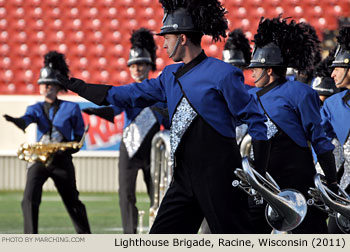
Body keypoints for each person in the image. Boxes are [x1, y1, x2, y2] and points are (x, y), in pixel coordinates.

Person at [57, 0, 271, 234]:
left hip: (219, 179)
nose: (163, 44)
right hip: (182, 180)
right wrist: (83, 88)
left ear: (182, 38)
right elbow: (129, 94)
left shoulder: (223, 74)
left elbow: (256, 119)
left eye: (167, 37)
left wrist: (257, 172)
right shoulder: (168, 75)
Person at [246, 17, 337, 234]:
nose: (252, 73)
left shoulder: (300, 93)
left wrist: (331, 181)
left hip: (296, 180)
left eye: (256, 68)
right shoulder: (247, 96)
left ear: (269, 70)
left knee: (311, 235)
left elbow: (319, 140)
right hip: (261, 179)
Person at [82, 28, 170, 234]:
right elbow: (114, 109)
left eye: (140, 64)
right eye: (133, 64)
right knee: (126, 195)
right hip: (129, 149)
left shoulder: (160, 92)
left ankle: (161, 233)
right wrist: (97, 110)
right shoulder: (127, 92)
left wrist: (160, 111)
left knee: (157, 194)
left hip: (153, 152)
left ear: (149, 66)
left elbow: (170, 119)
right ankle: (129, 236)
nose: (136, 68)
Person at [3, 51, 91, 234]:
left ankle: (87, 239)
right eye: (42, 84)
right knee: (28, 199)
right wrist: (18, 121)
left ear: (57, 85)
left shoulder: (71, 107)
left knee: (73, 202)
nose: (45, 87)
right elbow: (27, 119)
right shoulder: (34, 107)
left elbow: (78, 136)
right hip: (40, 159)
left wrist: (68, 149)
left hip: (62, 161)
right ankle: (30, 240)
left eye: (49, 83)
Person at [320, 25, 350, 233]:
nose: (332, 74)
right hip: (348, 189)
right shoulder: (332, 104)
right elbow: (325, 143)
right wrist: (322, 176)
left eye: (337, 67)